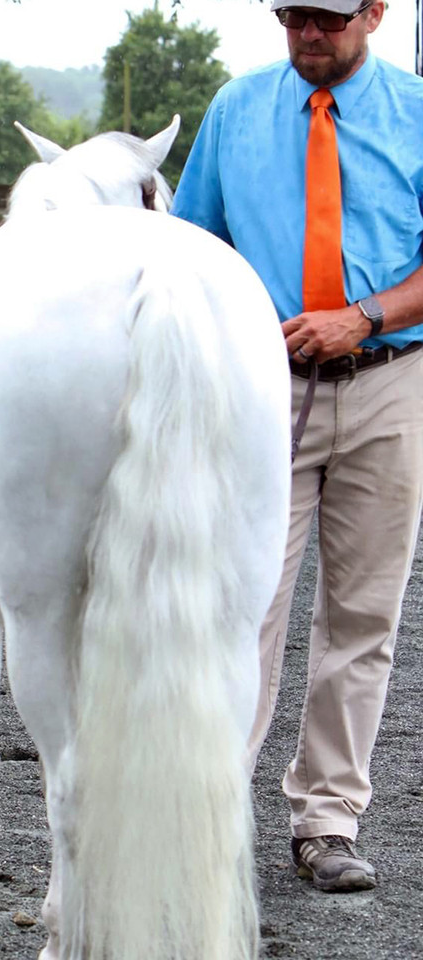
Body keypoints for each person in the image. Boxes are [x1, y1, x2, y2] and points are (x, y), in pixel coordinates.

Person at [172, 0, 423, 893]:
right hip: (259, 391)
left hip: (391, 383)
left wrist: (362, 316)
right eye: (292, 17)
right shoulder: (235, 111)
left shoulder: (419, 113)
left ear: (376, 12)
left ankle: (327, 821)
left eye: (326, 17)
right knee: (241, 606)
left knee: (363, 617)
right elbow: (191, 249)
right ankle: (208, 813)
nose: (308, 35)